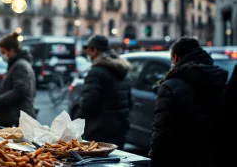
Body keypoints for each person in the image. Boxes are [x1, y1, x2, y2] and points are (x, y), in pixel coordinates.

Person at [149, 37, 227, 167]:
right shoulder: (218, 78)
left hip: (180, 156)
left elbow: (161, 132)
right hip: (211, 155)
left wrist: (154, 160)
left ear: (176, 58)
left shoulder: (170, 86)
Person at [74, 35, 132, 149]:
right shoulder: (121, 70)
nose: (88, 54)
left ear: (95, 50)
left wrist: (77, 120)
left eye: (89, 50)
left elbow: (89, 100)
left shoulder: (96, 71)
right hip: (120, 127)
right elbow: (129, 101)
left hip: (100, 129)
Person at [0, 32, 36, 127]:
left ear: (12, 51)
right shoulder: (18, 64)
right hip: (16, 117)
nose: (3, 55)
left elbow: (19, 91)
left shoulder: (20, 65)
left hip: (17, 119)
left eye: (3, 52)